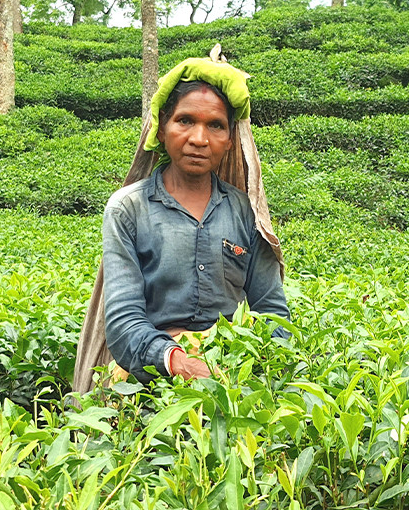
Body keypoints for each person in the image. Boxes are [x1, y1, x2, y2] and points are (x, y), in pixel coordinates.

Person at [99, 57, 290, 383]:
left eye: (215, 125)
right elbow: (123, 320)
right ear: (161, 128)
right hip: (149, 374)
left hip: (230, 374)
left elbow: (272, 312)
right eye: (185, 120)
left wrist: (252, 367)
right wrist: (175, 360)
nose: (199, 139)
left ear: (230, 139)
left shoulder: (246, 212)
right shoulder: (128, 209)